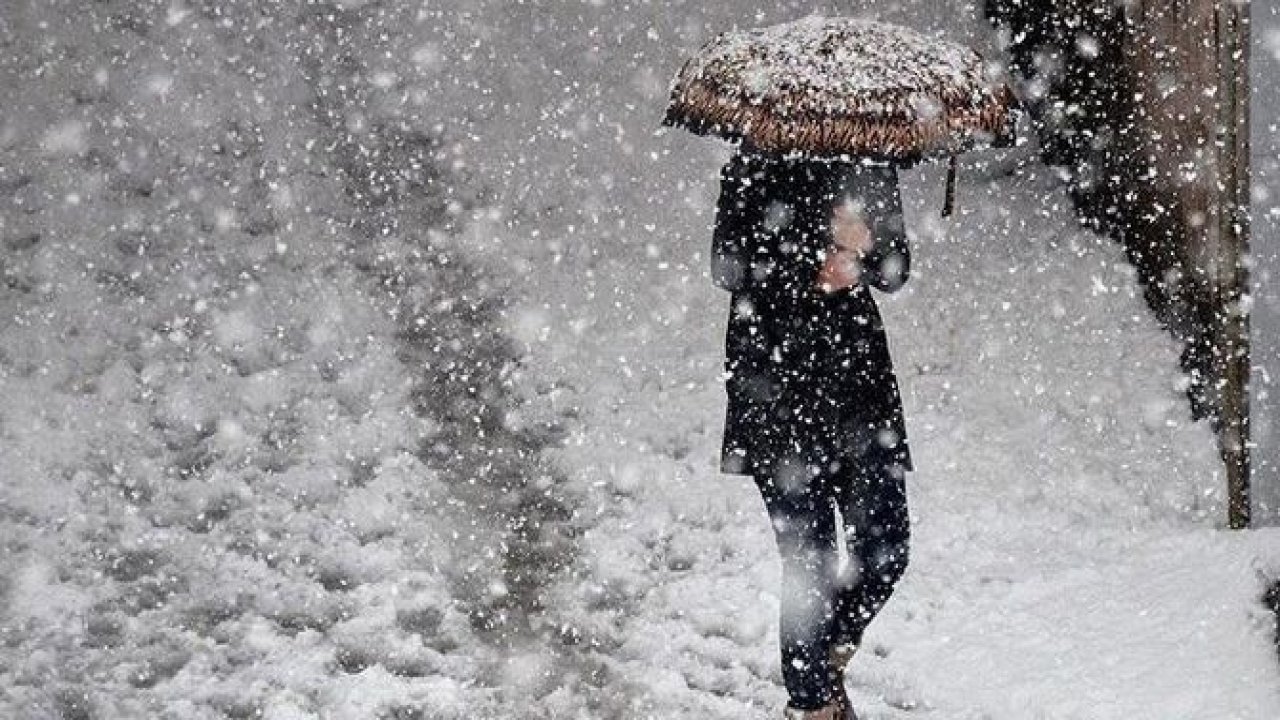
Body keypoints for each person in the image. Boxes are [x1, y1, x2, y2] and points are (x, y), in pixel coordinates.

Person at [710, 146, 913, 720]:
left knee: (887, 548)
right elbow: (728, 266)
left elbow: (897, 269)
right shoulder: (754, 163)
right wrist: (815, 253)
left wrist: (865, 252)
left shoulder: (869, 160)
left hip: (859, 392)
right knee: (810, 564)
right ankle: (813, 704)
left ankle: (822, 662)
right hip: (776, 390)